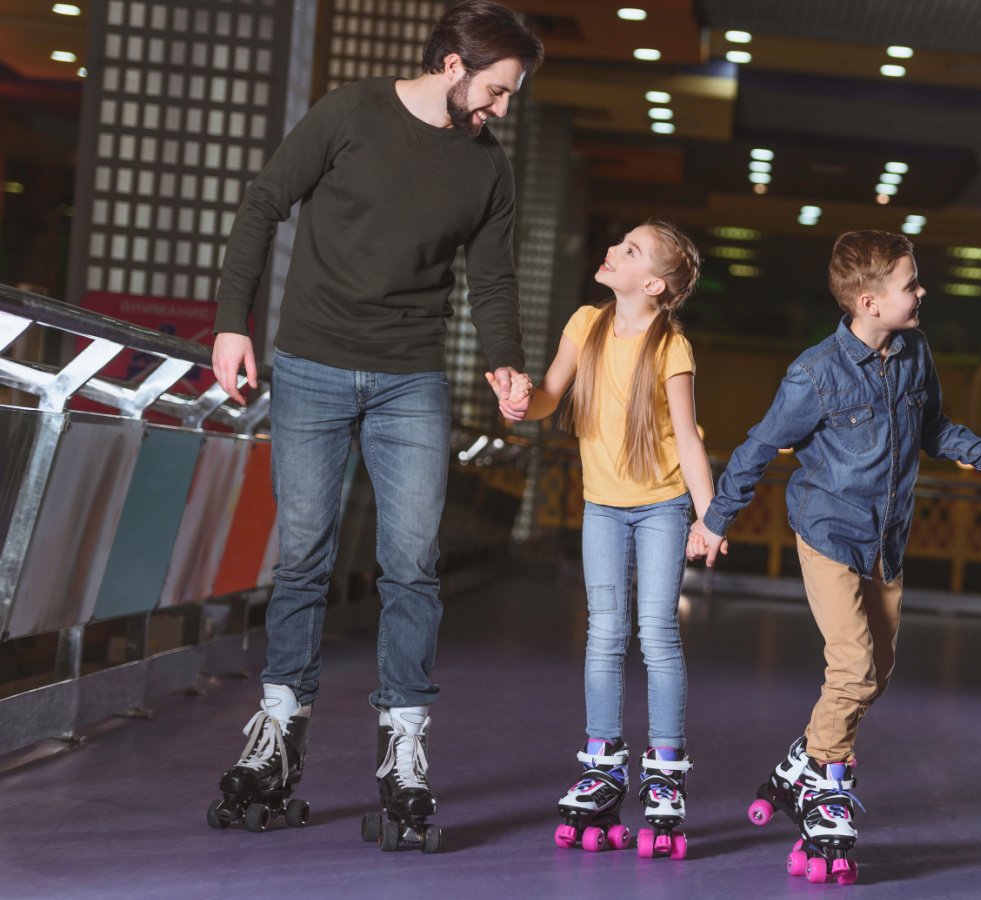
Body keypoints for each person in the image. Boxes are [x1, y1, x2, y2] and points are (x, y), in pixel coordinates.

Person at [204, 0, 543, 853]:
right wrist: (231, 322)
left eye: (512, 96)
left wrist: (504, 358)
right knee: (304, 555)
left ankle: (404, 748)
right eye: (498, 91)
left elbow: (493, 280)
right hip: (313, 363)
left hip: (411, 379)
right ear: (455, 64)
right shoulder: (350, 113)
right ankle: (279, 731)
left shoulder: (487, 170)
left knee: (411, 564)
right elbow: (263, 203)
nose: (501, 109)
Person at [687, 230, 981, 884]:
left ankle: (795, 767)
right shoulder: (815, 373)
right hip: (828, 531)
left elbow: (935, 431)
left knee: (879, 669)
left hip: (887, 538)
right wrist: (714, 520)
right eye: (911, 284)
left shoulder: (915, 351)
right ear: (869, 301)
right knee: (854, 663)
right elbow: (757, 448)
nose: (923, 292)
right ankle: (826, 784)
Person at [498, 220, 711, 859]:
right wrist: (519, 400)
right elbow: (550, 397)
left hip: (663, 506)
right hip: (602, 506)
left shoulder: (672, 346)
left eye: (630, 250)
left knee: (656, 632)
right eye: (617, 241)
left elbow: (691, 436)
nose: (612, 250)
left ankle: (666, 773)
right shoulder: (585, 323)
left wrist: (709, 517)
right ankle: (601, 761)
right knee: (604, 632)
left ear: (652, 284)